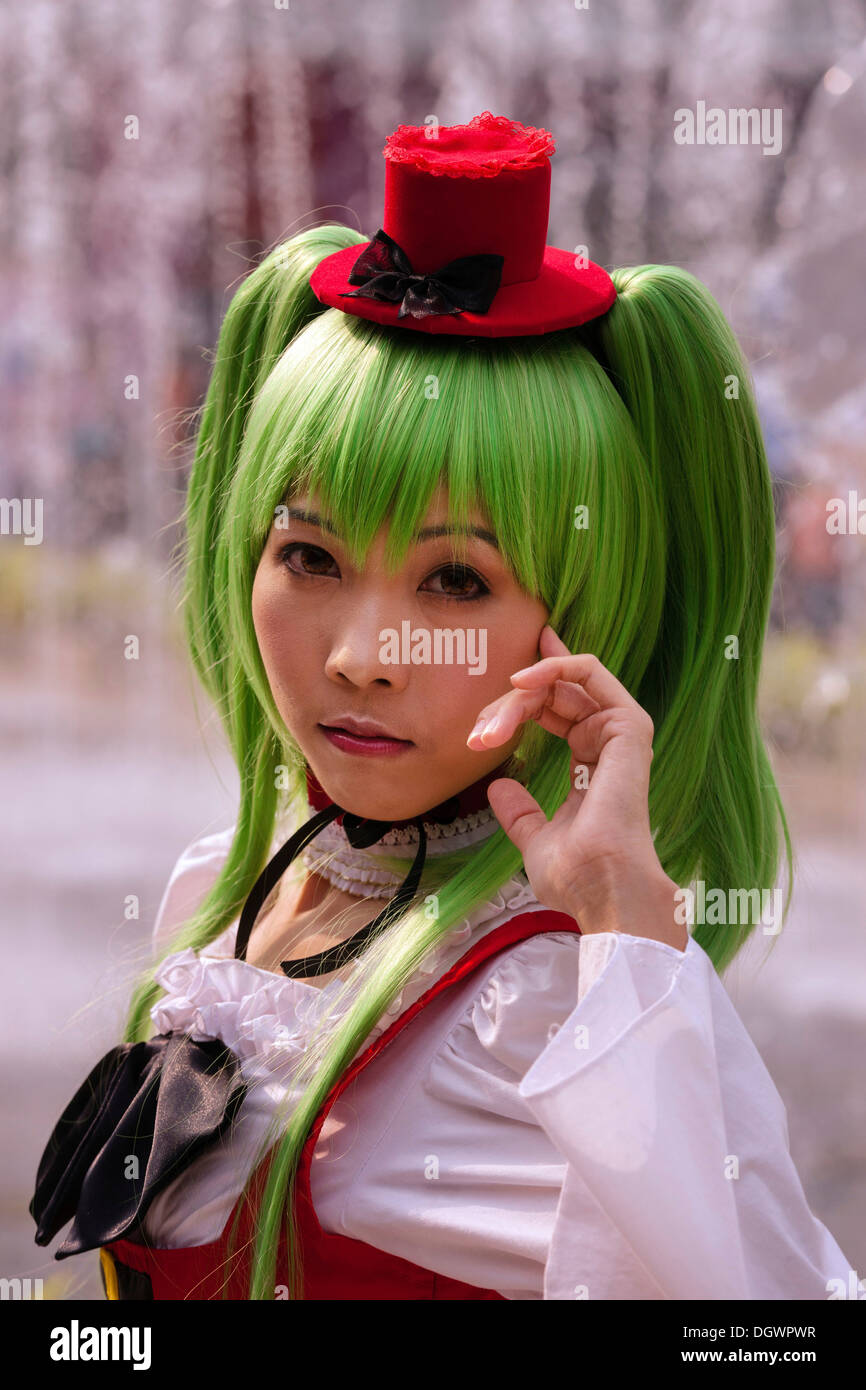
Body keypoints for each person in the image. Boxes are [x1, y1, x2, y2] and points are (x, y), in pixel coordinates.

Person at [31, 111, 852, 1301]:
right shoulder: (239, 873)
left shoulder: (540, 1004)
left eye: (455, 580)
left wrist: (624, 933)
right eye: (308, 555)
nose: (363, 655)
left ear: (579, 620)